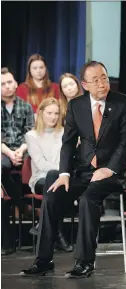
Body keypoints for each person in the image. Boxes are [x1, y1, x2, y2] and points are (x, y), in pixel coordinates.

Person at [20, 61, 126, 279]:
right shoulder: (76, 105)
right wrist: (64, 174)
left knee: (88, 198)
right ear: (85, 84)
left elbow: (125, 142)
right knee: (52, 189)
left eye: (104, 78)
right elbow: (68, 143)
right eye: (96, 80)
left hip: (112, 174)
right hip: (83, 171)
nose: (102, 84)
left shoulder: (123, 103)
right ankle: (43, 260)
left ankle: (84, 262)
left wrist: (109, 169)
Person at [25, 98, 73, 252]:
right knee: (53, 185)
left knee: (57, 188)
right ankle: (58, 234)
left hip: (62, 178)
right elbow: (40, 164)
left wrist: (62, 172)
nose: (53, 117)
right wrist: (61, 171)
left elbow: (67, 158)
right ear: (40, 113)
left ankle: (43, 225)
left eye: (56, 113)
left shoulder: (65, 133)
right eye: (49, 113)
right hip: (40, 178)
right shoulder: (31, 135)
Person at [1, 67, 34, 255]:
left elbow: (30, 133)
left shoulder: (26, 106)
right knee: (2, 165)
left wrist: (20, 151)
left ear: (16, 83)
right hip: (3, 152)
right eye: (2, 84)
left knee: (31, 163)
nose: (7, 86)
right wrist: (9, 153)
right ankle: (22, 205)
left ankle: (21, 204)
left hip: (24, 151)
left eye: (9, 82)